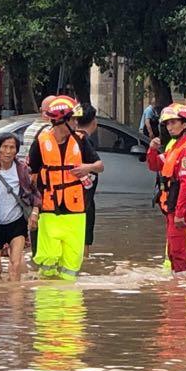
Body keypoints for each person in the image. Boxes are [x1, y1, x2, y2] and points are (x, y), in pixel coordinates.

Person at [28, 95, 102, 282]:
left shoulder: (81, 141)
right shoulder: (41, 143)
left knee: (71, 267)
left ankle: (70, 306)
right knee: (48, 261)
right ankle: (48, 306)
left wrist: (87, 167)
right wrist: (34, 210)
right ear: (62, 121)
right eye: (73, 119)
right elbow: (32, 178)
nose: (77, 123)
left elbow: (100, 165)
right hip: (49, 210)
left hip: (76, 211)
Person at [147, 103, 186, 278]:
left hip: (182, 207)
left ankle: (180, 290)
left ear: (185, 123)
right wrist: (152, 149)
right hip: (172, 204)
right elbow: (155, 165)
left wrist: (180, 213)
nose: (170, 127)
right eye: (167, 123)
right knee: (173, 250)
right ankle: (176, 288)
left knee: (178, 250)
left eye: (173, 122)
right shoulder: (175, 146)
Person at [0, 131, 39, 281]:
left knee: (15, 267)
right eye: (5, 147)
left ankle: (16, 300)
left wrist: (34, 212)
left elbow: (34, 194)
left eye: (12, 147)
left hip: (16, 223)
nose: (8, 151)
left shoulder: (23, 169)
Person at [78, 104, 101, 258]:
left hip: (69, 199)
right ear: (94, 121)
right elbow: (99, 166)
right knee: (84, 239)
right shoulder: (84, 140)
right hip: (84, 199)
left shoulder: (70, 139)